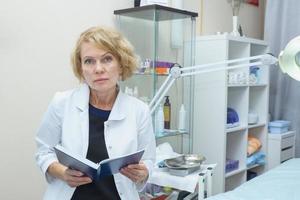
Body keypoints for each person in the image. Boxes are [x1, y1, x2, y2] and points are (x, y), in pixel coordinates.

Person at [35, 26, 156, 200]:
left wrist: (143, 172)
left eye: (107, 59)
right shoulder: (61, 103)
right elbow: (43, 151)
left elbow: (149, 160)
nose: (98, 69)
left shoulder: (139, 111)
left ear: (121, 64)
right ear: (81, 68)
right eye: (89, 61)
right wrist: (62, 172)